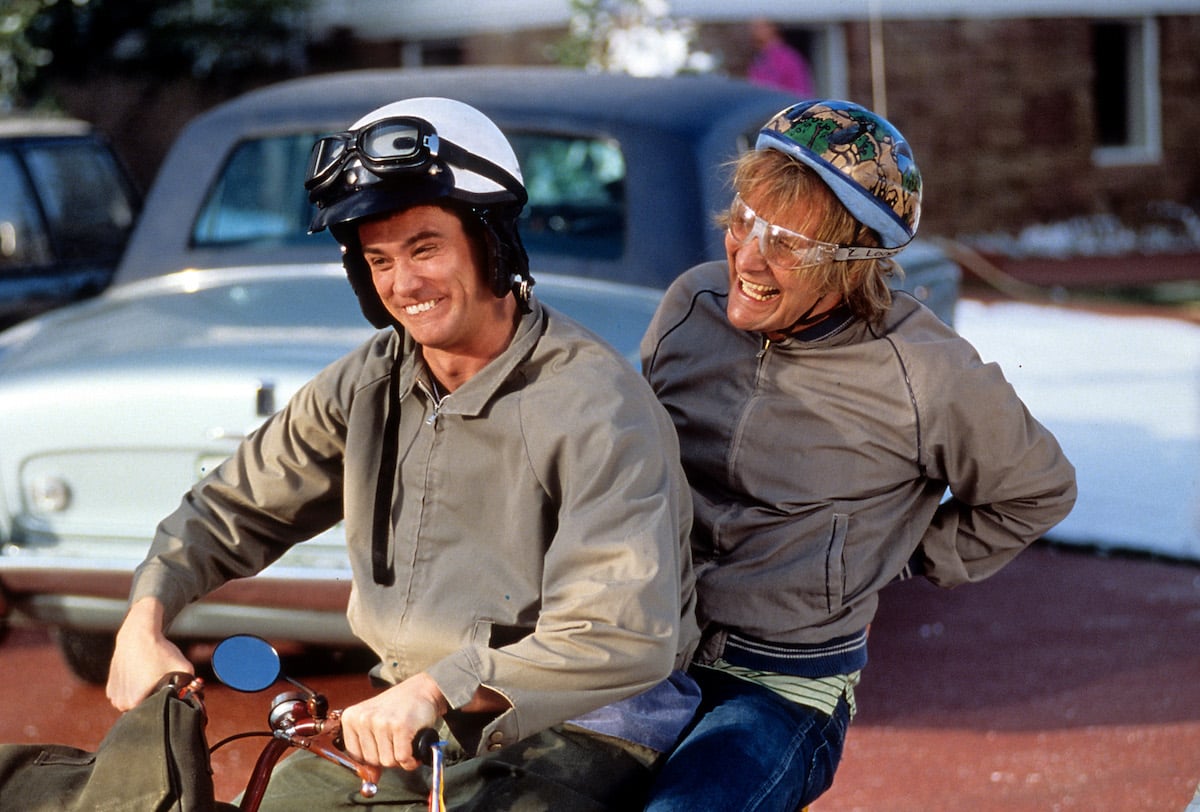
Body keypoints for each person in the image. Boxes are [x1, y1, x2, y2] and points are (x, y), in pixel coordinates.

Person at [105, 97, 701, 810]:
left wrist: (434, 688)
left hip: (586, 724)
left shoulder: (596, 404)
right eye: (378, 259)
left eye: (425, 248)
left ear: (491, 241)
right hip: (418, 716)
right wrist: (143, 619)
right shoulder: (369, 381)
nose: (402, 284)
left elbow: (616, 635)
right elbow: (229, 505)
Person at [640, 99, 1077, 811]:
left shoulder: (925, 374)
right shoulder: (691, 304)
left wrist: (900, 554)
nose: (748, 255)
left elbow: (1039, 489)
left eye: (786, 241)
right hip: (651, 646)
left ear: (853, 265)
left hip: (778, 686)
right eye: (745, 218)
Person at [747, 18, 815, 97]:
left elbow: (801, 91)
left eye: (758, 27)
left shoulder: (787, 58)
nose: (752, 31)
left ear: (772, 28)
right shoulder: (760, 58)